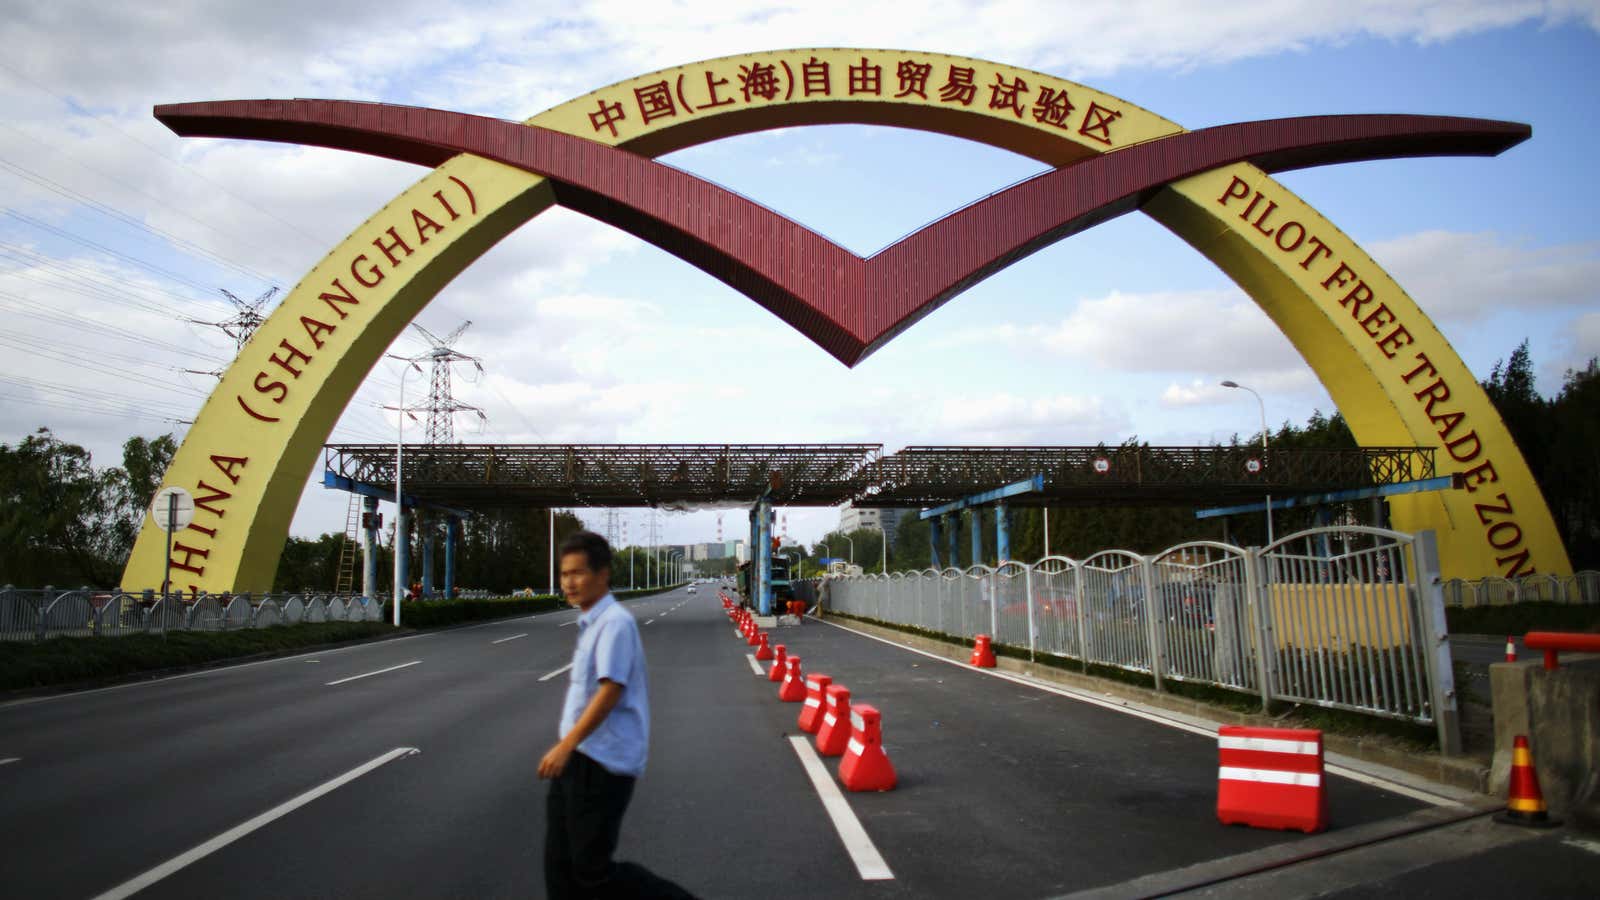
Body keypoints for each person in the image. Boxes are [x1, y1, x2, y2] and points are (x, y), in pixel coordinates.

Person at [538, 530, 696, 900]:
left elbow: (611, 690)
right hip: (578, 759)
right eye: (564, 574)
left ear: (603, 574)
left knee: (592, 872)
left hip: (601, 762)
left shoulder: (614, 623)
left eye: (577, 573)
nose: (569, 583)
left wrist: (566, 746)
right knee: (561, 873)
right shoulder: (592, 623)